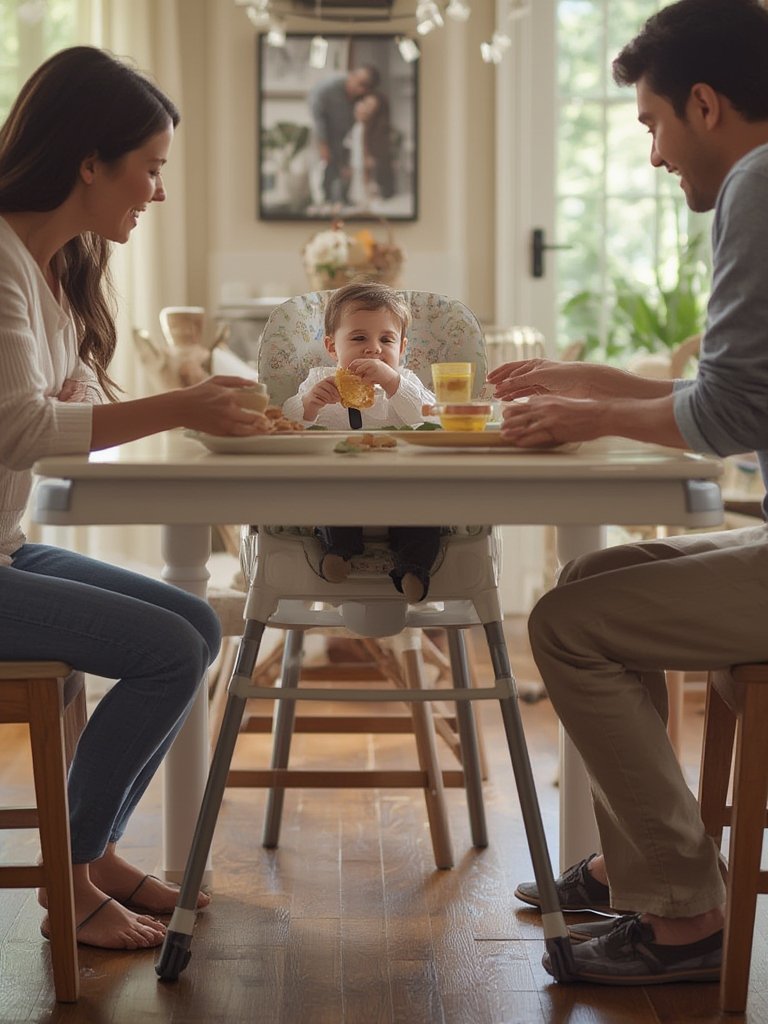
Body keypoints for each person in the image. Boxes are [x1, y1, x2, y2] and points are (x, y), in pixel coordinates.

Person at [488, 0, 768, 988]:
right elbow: (743, 395)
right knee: (592, 578)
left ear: (705, 104)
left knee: (566, 625)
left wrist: (592, 413)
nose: (654, 156)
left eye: (653, 123)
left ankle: (684, 920)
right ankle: (643, 871)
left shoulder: (758, 183)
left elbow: (727, 415)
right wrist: (595, 383)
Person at [0, 46, 272, 951]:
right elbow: (25, 429)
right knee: (166, 651)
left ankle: (97, 854)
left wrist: (78, 409)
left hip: (6, 547)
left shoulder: (51, 267)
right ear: (90, 162)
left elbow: (70, 408)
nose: (157, 191)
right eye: (150, 167)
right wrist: (185, 404)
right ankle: (71, 879)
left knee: (195, 624)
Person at [282, 281, 440, 603]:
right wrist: (309, 405)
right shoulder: (318, 381)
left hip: (403, 488)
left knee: (426, 516)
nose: (373, 349)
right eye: (358, 338)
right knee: (327, 503)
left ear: (402, 348)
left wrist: (393, 382)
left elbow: (433, 417)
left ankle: (413, 569)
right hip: (341, 484)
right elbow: (286, 423)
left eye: (386, 339)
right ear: (332, 347)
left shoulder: (405, 382)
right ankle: (338, 552)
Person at [308, 65, 380, 206]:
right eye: (355, 79)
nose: (355, 86)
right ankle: (324, 201)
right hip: (323, 136)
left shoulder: (362, 102)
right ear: (351, 75)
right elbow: (316, 112)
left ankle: (342, 200)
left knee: (345, 175)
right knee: (322, 172)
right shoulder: (329, 87)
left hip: (345, 142)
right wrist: (323, 143)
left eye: (363, 86)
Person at [344, 92, 395, 209]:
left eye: (370, 107)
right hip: (356, 172)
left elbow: (367, 158)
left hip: (367, 180)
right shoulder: (355, 127)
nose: (363, 108)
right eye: (364, 103)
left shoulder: (372, 132)